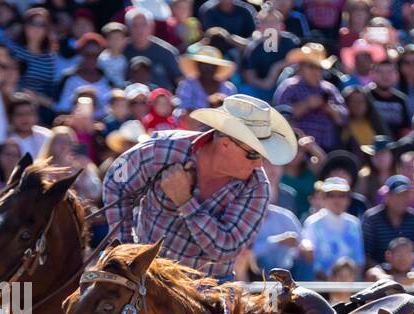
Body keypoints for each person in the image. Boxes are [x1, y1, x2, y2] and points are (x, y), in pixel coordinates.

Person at [101, 94, 297, 279]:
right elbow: (116, 182)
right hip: (149, 276)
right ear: (226, 144)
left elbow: (225, 249)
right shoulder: (162, 149)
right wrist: (125, 250)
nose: (259, 164)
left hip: (209, 286)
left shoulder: (257, 187)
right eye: (254, 154)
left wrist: (185, 201)